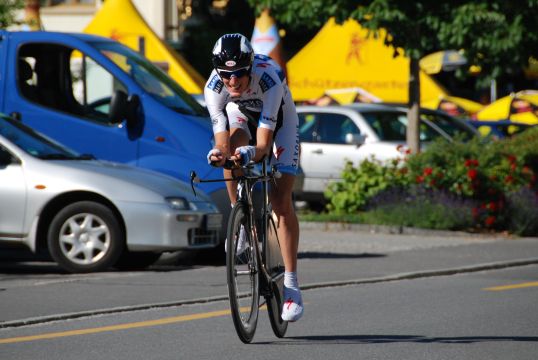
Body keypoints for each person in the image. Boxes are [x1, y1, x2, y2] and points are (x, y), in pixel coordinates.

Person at [204, 33, 303, 322]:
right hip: (241, 114)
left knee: (281, 202)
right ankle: (242, 222)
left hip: (279, 122)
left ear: (249, 70)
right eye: (226, 76)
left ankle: (291, 286)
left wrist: (253, 153)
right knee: (230, 151)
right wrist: (219, 154)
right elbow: (221, 138)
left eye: (238, 75)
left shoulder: (269, 78)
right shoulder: (214, 88)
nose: (232, 82)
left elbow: (262, 144)